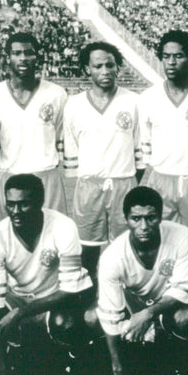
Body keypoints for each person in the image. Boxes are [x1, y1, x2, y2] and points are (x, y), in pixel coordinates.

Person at [0, 174, 93, 375]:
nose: (16, 212)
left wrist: (21, 312)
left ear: (40, 202)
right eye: (10, 204)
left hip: (56, 295)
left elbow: (69, 290)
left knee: (66, 325)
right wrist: (2, 371)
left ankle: (74, 355)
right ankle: (16, 356)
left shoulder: (63, 226)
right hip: (19, 296)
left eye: (24, 204)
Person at [96, 187, 188, 375]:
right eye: (136, 219)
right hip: (134, 305)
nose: (143, 226)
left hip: (168, 303)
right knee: (113, 331)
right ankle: (137, 359)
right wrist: (118, 370)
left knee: (184, 318)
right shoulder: (112, 257)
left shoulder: (181, 235)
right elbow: (110, 314)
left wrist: (149, 314)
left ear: (160, 216)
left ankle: (181, 366)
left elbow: (183, 289)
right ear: (126, 219)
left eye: (150, 218)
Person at [137, 30, 188, 265]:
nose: (171, 62)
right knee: (159, 244)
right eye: (166, 56)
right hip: (160, 181)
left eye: (178, 56)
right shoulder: (147, 97)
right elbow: (145, 144)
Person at [63, 41, 144, 278]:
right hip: (89, 185)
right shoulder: (74, 105)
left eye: (110, 65)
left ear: (118, 67)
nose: (105, 71)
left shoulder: (133, 101)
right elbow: (72, 147)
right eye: (98, 66)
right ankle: (89, 295)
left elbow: (139, 146)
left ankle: (127, 291)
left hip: (124, 182)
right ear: (88, 69)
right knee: (87, 246)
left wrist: (127, 178)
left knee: (126, 244)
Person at [0, 32, 69, 220]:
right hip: (11, 178)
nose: (23, 58)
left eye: (28, 53)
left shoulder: (57, 94)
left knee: (53, 237)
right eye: (16, 53)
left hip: (47, 177)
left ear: (37, 56)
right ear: (7, 58)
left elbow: (60, 135)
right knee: (12, 240)